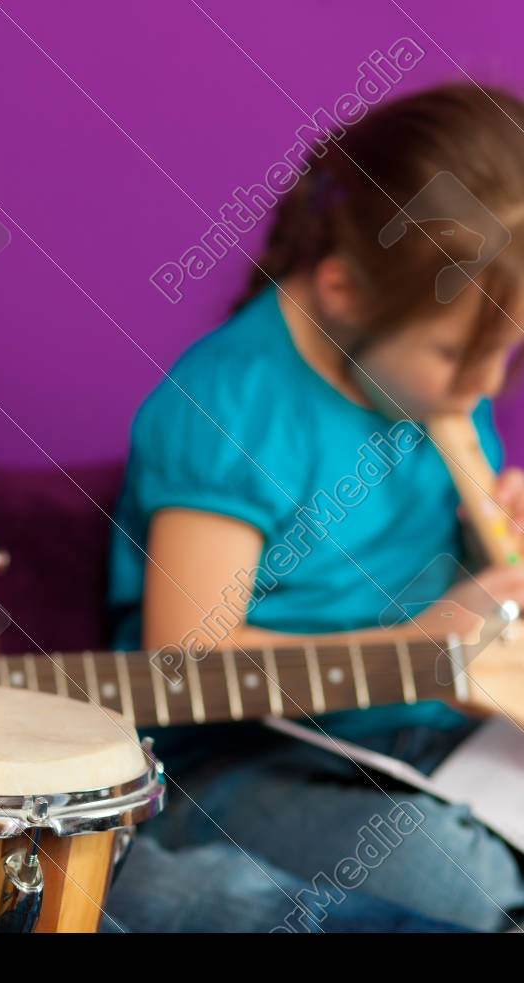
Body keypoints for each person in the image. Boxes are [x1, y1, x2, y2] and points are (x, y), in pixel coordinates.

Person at [106, 82, 524, 932]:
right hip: (237, 757)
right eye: (458, 354)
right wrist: (423, 649)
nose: (485, 387)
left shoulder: (429, 370)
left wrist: (498, 564)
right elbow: (187, 663)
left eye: (506, 351)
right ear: (343, 291)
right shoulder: (232, 404)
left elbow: (458, 596)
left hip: (418, 740)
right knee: (459, 879)